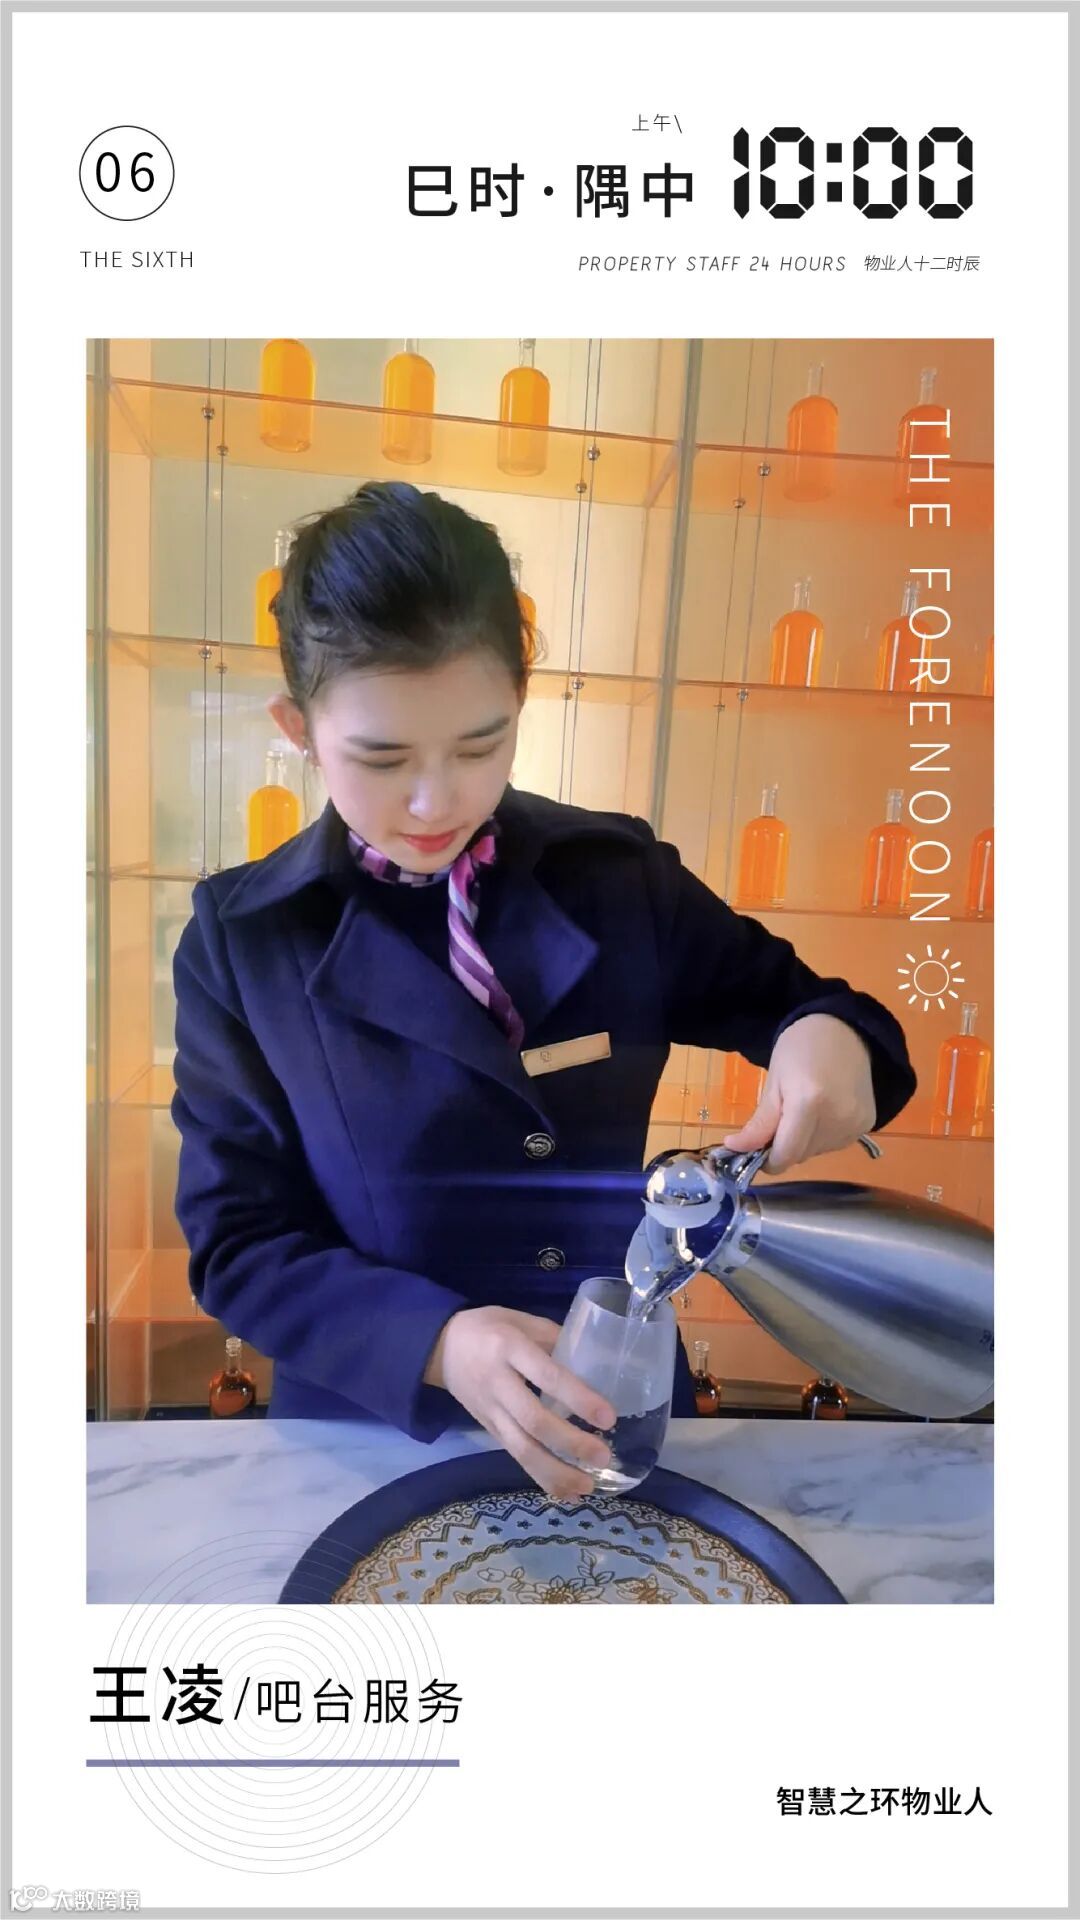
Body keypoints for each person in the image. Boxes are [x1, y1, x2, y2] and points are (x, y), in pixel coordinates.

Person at [172, 481, 917, 1498]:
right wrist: (439, 1343)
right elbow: (239, 1245)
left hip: (612, 1397)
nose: (434, 801)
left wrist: (829, 1037)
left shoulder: (617, 880)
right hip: (374, 1426)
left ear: (522, 701)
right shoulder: (246, 939)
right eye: (381, 758)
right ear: (297, 727)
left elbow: (813, 1005)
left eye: (480, 745)